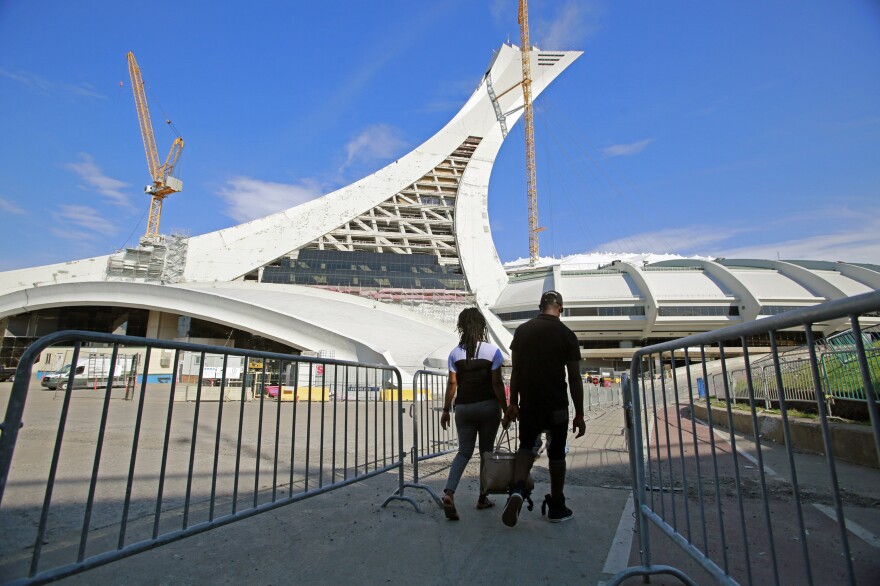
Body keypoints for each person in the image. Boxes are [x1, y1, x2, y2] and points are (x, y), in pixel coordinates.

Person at [502, 290, 585, 526]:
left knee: (526, 448)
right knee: (556, 454)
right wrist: (579, 413)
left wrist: (513, 403)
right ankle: (557, 505)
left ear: (539, 307)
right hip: (556, 405)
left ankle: (517, 491)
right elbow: (575, 378)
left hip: (529, 404)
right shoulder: (567, 335)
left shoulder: (523, 331)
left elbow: (516, 370)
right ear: (560, 308)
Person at [439, 308, 508, 521]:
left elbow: (452, 383)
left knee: (463, 452)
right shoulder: (493, 351)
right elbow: (497, 383)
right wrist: (506, 409)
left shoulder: (455, 353)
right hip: (488, 407)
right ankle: (482, 498)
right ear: (481, 326)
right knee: (486, 453)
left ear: (462, 327)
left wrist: (445, 410)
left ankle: (449, 492)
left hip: (464, 409)